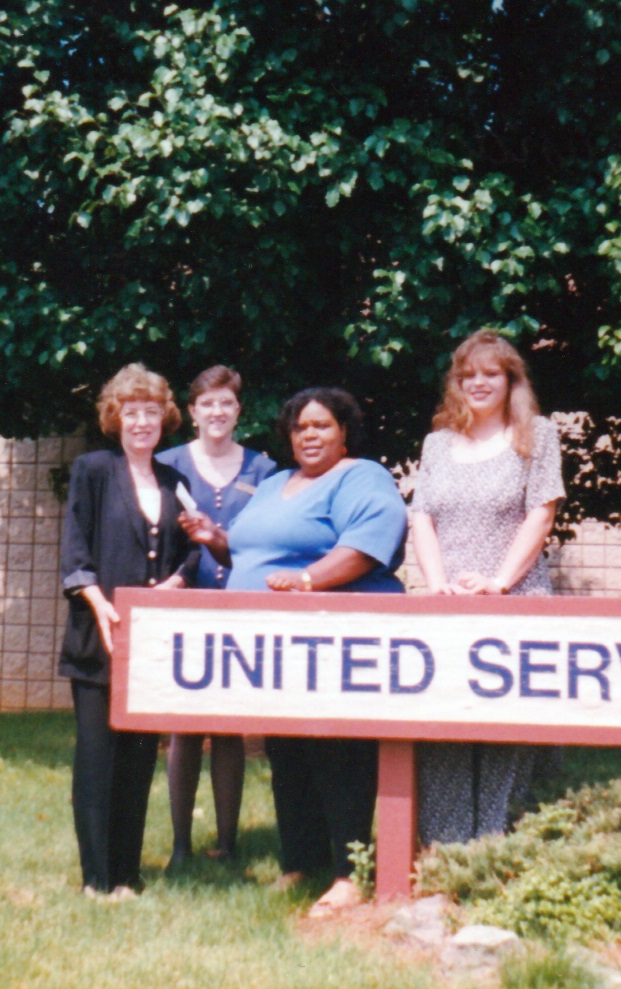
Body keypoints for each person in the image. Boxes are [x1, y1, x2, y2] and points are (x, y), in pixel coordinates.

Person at [180, 387, 407, 915]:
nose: (310, 435)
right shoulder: (276, 483)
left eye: (322, 426)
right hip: (277, 647)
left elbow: (369, 542)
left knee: (338, 754)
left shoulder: (361, 476)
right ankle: (299, 862)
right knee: (288, 753)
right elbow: (250, 549)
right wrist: (214, 536)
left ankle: (350, 874)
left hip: (335, 640)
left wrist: (308, 579)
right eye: (301, 427)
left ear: (344, 431)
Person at [409, 330, 565, 846]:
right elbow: (423, 517)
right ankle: (445, 851)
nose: (478, 383)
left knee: (505, 730)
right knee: (444, 729)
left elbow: (541, 514)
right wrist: (437, 587)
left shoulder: (536, 436)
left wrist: (498, 583)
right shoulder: (437, 444)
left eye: (490, 373)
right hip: (447, 605)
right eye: (467, 374)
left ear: (511, 380)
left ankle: (503, 849)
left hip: (513, 601)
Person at [58, 363, 200, 900]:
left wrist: (176, 583)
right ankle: (95, 878)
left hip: (151, 644)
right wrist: (98, 602)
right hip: (101, 636)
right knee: (97, 757)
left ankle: (128, 874)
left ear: (165, 419)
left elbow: (192, 554)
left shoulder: (175, 481)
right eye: (131, 413)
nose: (141, 422)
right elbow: (75, 547)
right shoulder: (93, 469)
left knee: (139, 759)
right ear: (115, 419)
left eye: (151, 413)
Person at [155, 365, 277, 867]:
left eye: (226, 403)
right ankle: (181, 845)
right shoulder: (167, 463)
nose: (217, 413)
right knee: (185, 724)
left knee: (229, 724)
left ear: (238, 411)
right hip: (185, 602)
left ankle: (227, 844)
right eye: (207, 404)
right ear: (192, 412)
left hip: (240, 605)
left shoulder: (263, 470)